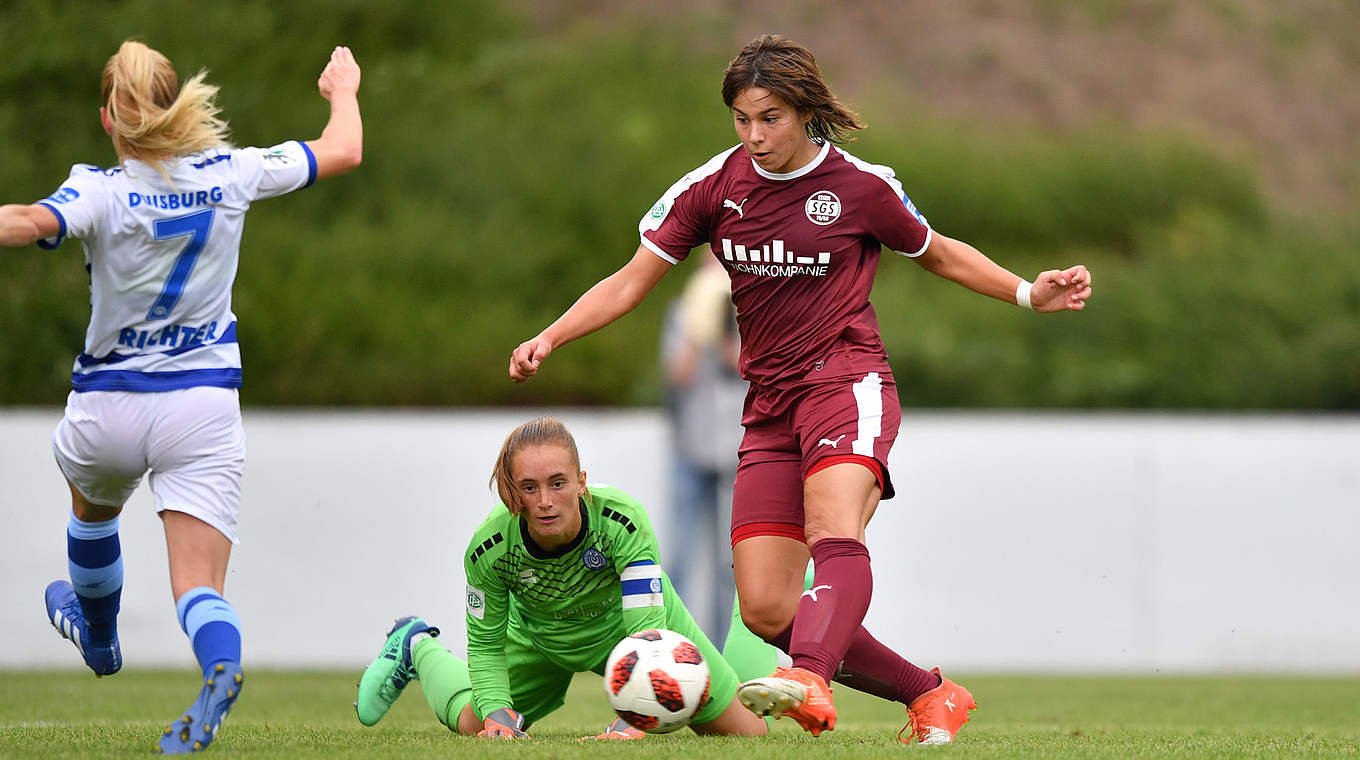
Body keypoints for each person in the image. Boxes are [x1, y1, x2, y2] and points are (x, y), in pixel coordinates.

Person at [508, 34, 1092, 745]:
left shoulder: (861, 186)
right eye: (742, 119)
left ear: (806, 110)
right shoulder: (712, 189)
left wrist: (1030, 292)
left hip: (848, 383)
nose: (754, 135)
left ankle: (809, 678)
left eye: (770, 117)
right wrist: (551, 336)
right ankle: (930, 694)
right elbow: (631, 281)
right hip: (769, 410)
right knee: (767, 608)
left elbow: (937, 252)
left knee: (832, 529)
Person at [0, 41, 363, 754]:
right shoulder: (236, 170)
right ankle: (219, 662)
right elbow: (342, 151)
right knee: (197, 586)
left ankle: (99, 638)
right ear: (176, 107)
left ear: (108, 118)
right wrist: (342, 89)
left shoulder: (99, 190)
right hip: (201, 405)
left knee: (93, 511)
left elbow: (28, 222)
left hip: (108, 405)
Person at [353, 416, 767, 741]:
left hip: (635, 634)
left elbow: (647, 633)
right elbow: (484, 641)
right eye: (529, 488)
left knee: (750, 732)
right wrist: (497, 714)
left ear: (581, 482)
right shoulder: (490, 548)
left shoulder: (623, 521)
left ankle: (757, 600)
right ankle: (415, 645)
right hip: (539, 638)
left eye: (558, 483)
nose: (546, 501)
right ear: (512, 494)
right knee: (471, 724)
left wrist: (634, 722)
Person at [659, 248, 745, 643]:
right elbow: (678, 374)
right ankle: (669, 646)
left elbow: (746, 368)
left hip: (736, 453)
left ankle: (722, 652)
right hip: (690, 449)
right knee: (679, 556)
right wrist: (698, 328)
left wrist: (727, 326)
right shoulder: (683, 311)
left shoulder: (750, 309)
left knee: (731, 565)